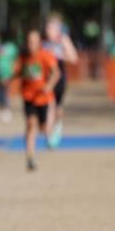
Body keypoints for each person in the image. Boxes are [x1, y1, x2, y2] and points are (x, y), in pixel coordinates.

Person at [14, 29, 60, 172]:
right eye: (29, 42)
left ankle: (55, 126)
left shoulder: (45, 55)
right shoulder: (23, 57)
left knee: (44, 129)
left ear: (39, 43)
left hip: (43, 98)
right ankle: (30, 158)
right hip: (28, 97)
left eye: (33, 42)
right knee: (30, 125)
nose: (31, 45)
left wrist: (49, 85)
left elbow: (56, 73)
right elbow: (18, 72)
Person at [42, 13, 79, 148]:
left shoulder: (63, 40)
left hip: (60, 78)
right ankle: (49, 137)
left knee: (57, 108)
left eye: (52, 28)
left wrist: (59, 55)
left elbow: (74, 58)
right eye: (48, 28)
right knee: (49, 106)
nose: (49, 30)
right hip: (47, 79)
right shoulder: (43, 41)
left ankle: (58, 125)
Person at [0, 27, 18, 122]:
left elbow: (14, 61)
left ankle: (6, 109)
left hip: (7, 73)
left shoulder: (12, 47)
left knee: (5, 92)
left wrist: (10, 73)